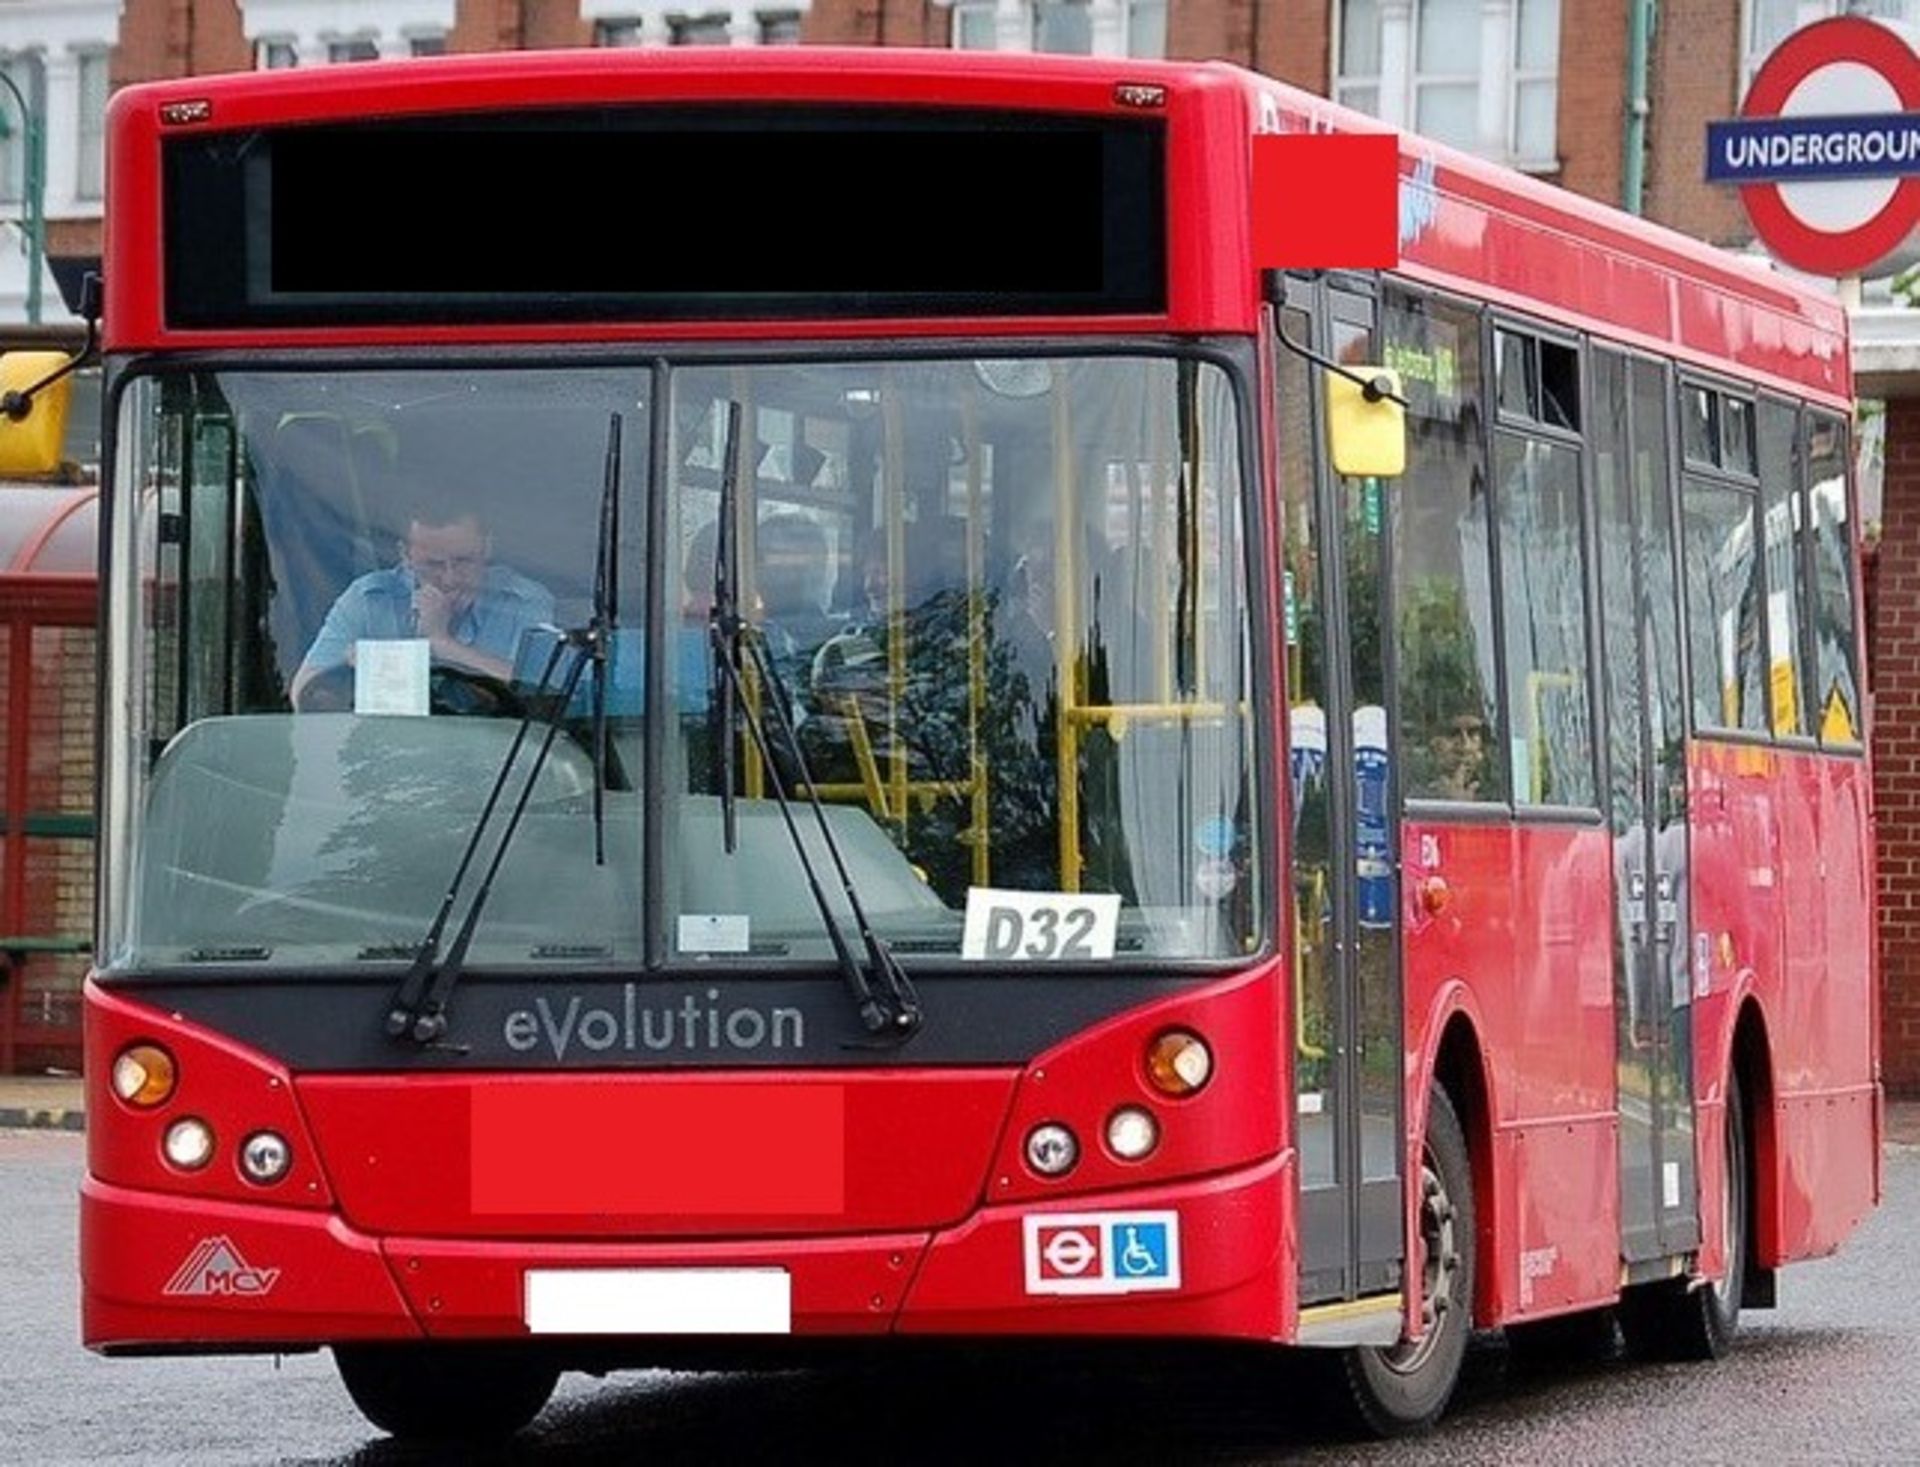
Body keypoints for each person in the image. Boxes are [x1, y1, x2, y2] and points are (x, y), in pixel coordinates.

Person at [291, 491, 555, 707]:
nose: (450, 578)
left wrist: (442, 644)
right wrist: (357, 674)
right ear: (405, 555)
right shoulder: (368, 599)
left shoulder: (523, 601)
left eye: (464, 561)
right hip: (387, 754)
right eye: (433, 565)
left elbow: (546, 697)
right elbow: (303, 693)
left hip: (499, 758)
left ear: (487, 547)